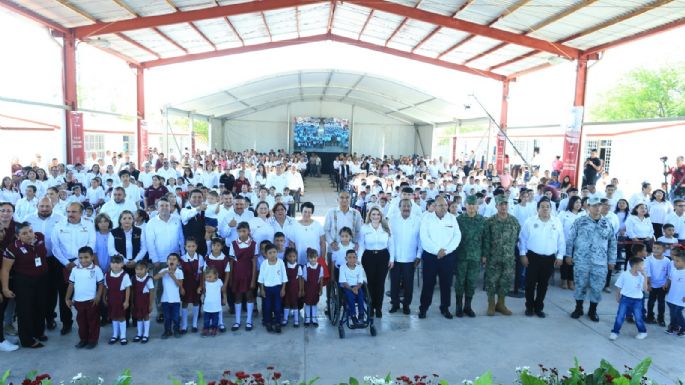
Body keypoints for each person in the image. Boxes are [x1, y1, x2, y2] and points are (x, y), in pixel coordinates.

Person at [566, 196, 617, 322]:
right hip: (581, 260)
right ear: (588, 207)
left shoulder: (607, 223)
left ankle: (593, 311)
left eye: (599, 205)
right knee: (580, 285)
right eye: (594, 205)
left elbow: (613, 243)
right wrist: (568, 255)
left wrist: (612, 260)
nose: (597, 208)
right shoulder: (580, 221)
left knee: (597, 287)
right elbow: (571, 239)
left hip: (600, 262)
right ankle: (578, 308)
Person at [1, 222, 49, 348]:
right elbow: (5, 270)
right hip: (24, 282)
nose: (29, 235)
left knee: (40, 307)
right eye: (24, 233)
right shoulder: (13, 248)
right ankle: (27, 340)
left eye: (30, 231)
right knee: (25, 311)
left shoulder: (40, 238)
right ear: (17, 236)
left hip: (42, 279)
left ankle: (38, 332)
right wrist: (5, 288)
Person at [51, 202, 96, 335]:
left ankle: (88, 322)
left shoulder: (88, 225)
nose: (70, 214)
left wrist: (78, 262)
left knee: (86, 294)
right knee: (65, 294)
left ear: (81, 213)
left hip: (84, 263)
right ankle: (66, 323)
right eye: (68, 211)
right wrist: (66, 262)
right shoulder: (59, 226)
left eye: (74, 212)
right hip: (63, 264)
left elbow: (91, 243)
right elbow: (55, 246)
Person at [519, 198, 565, 318]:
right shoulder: (530, 221)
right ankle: (529, 307)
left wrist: (560, 256)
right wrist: (523, 254)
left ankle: (539, 307)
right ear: (538, 209)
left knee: (543, 285)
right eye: (542, 206)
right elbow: (522, 239)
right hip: (532, 257)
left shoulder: (556, 222)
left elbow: (561, 241)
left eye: (547, 206)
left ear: (551, 208)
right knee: (530, 284)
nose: (545, 209)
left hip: (549, 258)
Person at [418, 196, 461, 319]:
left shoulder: (452, 219)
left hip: (447, 256)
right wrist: (437, 250)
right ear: (435, 206)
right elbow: (424, 238)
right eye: (441, 205)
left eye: (445, 205)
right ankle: (423, 308)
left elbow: (457, 237)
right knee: (428, 283)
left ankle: (445, 308)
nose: (444, 208)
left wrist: (445, 251)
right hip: (430, 256)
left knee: (446, 284)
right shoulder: (426, 218)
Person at [25, 197, 64, 331]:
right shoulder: (28, 219)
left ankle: (50, 317)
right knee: (38, 290)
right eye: (42, 206)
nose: (44, 209)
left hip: (54, 259)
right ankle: (38, 318)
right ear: (37, 206)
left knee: (52, 290)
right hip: (34, 259)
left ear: (52, 206)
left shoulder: (60, 218)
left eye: (47, 206)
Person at [483, 195, 520, 316]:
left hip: (508, 258)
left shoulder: (514, 221)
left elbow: (517, 238)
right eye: (501, 204)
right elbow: (486, 240)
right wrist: (485, 256)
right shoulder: (490, 222)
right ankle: (491, 304)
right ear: (496, 206)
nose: (503, 207)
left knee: (506, 281)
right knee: (491, 281)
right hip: (493, 257)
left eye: (505, 204)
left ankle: (501, 304)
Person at [65, 246, 104, 349]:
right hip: (78, 301)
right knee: (81, 322)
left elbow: (101, 284)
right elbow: (71, 285)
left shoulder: (96, 269)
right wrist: (67, 298)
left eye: (86, 257)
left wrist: (98, 296)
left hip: (92, 301)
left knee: (93, 322)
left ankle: (93, 340)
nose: (83, 260)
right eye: (81, 258)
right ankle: (83, 340)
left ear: (92, 257)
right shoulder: (74, 270)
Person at [454, 195, 486, 318]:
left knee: (471, 282)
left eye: (474, 205)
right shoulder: (459, 220)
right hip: (461, 256)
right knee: (460, 282)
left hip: (475, 257)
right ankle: (458, 306)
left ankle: (468, 306)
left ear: (477, 206)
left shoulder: (482, 220)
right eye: (469, 204)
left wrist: (484, 255)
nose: (471, 207)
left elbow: (485, 239)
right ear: (465, 205)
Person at [358, 206, 393, 318]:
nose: (375, 216)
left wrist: (392, 259)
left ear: (381, 216)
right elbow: (361, 245)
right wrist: (358, 259)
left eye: (378, 214)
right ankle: (371, 307)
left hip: (383, 257)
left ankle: (379, 308)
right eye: (373, 214)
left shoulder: (386, 228)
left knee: (380, 283)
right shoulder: (364, 228)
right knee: (371, 283)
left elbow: (391, 244)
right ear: (369, 215)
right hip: (369, 257)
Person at [388, 199, 422, 315]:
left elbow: (420, 240)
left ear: (411, 207)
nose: (406, 208)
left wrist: (418, 256)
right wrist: (390, 257)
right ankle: (395, 304)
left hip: (410, 258)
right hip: (395, 258)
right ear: (399, 207)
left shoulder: (417, 220)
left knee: (408, 284)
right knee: (394, 283)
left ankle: (406, 305)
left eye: (408, 206)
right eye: (404, 206)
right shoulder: (392, 219)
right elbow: (389, 239)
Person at [609, 256, 648, 340]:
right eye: (642, 265)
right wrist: (617, 296)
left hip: (637, 300)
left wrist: (645, 277)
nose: (643, 267)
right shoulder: (625, 274)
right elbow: (619, 286)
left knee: (638, 317)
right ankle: (614, 332)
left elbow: (645, 289)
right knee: (620, 316)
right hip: (625, 299)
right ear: (635, 266)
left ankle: (643, 332)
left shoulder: (641, 276)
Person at [229, 222, 257, 332]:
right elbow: (231, 262)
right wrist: (231, 278)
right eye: (240, 231)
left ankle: (249, 321)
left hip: (249, 273)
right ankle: (237, 321)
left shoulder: (254, 244)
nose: (242, 233)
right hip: (237, 274)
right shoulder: (234, 244)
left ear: (249, 231)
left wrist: (253, 279)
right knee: (238, 297)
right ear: (237, 232)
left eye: (244, 231)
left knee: (249, 296)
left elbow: (254, 263)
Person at [258, 243, 287, 333]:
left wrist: (283, 289)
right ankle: (268, 322)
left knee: (278, 307)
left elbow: (284, 277)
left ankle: (278, 323)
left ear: (277, 252)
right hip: (267, 289)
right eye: (270, 253)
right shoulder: (264, 264)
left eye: (274, 252)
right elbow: (261, 279)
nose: (272, 254)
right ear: (266, 254)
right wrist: (262, 289)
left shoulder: (281, 262)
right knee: (267, 307)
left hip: (277, 288)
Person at [154, 253, 184, 339]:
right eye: (170, 259)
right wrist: (164, 272)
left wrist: (173, 276)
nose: (172, 260)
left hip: (176, 300)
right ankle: (167, 331)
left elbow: (179, 285)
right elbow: (155, 277)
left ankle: (176, 330)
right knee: (167, 318)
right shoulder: (164, 270)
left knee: (176, 317)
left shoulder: (179, 272)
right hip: (165, 299)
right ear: (167, 262)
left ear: (178, 263)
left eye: (174, 259)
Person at [204, 237, 231, 333]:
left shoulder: (224, 258)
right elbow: (204, 272)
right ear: (211, 247)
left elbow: (227, 272)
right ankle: (211, 324)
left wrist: (225, 285)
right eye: (214, 245)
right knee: (211, 304)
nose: (216, 247)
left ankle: (221, 322)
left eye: (218, 245)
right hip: (210, 285)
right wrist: (204, 287)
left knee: (219, 304)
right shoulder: (207, 258)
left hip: (219, 284)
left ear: (222, 247)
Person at [103, 255, 131, 346]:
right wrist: (104, 297)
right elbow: (106, 287)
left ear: (122, 264)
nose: (115, 265)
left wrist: (126, 301)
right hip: (111, 299)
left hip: (121, 299)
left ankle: (123, 336)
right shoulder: (107, 275)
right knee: (113, 316)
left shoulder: (125, 275)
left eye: (118, 263)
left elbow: (127, 288)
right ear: (110, 264)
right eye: (113, 263)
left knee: (121, 317)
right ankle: (115, 335)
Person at [179, 237, 204, 334]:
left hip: (195, 284)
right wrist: (181, 287)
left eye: (193, 246)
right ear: (185, 247)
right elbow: (180, 275)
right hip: (186, 284)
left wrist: (200, 286)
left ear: (196, 247)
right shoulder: (182, 259)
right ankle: (184, 325)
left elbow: (201, 273)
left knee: (196, 302)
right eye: (189, 246)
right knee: (185, 303)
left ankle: (194, 324)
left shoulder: (200, 258)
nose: (191, 248)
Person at [558, 196, 582, 290]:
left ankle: (571, 281)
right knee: (565, 262)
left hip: (578, 243)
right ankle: (564, 280)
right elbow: (559, 228)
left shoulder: (583, 215)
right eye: (576, 202)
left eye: (580, 202)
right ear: (571, 203)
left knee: (573, 262)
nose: (578, 204)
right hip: (565, 241)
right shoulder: (564, 214)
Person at [339, 249, 367, 325]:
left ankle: (361, 314)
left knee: (361, 296)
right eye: (350, 257)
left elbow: (361, 281)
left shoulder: (359, 268)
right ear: (346, 258)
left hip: (357, 286)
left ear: (356, 258)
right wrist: (352, 289)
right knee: (350, 297)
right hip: (347, 287)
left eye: (354, 257)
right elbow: (343, 282)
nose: (352, 259)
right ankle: (353, 315)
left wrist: (356, 288)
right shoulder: (342, 267)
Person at [645, 242, 669, 326]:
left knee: (661, 302)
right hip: (652, 285)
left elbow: (668, 274)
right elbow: (647, 273)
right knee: (651, 301)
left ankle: (661, 319)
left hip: (662, 285)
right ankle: (650, 316)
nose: (655, 250)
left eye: (658, 248)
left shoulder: (667, 260)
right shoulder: (648, 259)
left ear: (664, 250)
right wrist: (649, 284)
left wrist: (666, 283)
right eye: (654, 248)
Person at [181, 190, 209, 257]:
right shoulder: (184, 210)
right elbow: (187, 215)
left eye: (199, 197)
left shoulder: (206, 211)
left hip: (203, 247)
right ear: (189, 199)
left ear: (203, 199)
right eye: (194, 197)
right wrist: (198, 208)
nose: (197, 199)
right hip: (190, 249)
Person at [131, 261, 154, 344]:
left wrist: (150, 304)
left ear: (146, 270)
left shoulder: (148, 279)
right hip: (137, 300)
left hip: (145, 300)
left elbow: (151, 292)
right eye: (137, 269)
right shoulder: (133, 278)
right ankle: (139, 333)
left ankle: (146, 334)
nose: (138, 271)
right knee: (139, 316)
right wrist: (132, 302)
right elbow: (132, 291)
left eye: (141, 269)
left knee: (146, 316)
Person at [665, 250, 685, 336]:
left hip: (681, 298)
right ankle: (674, 326)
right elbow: (670, 279)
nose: (674, 263)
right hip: (672, 296)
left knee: (677, 312)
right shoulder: (673, 270)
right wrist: (666, 284)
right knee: (672, 313)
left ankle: (683, 328)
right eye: (674, 260)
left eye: (677, 261)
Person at [282, 247, 303, 327]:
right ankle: (285, 318)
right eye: (290, 256)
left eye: (294, 256)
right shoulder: (284, 266)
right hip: (287, 288)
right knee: (286, 303)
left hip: (295, 288)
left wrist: (301, 290)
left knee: (295, 304)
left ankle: (296, 320)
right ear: (286, 257)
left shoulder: (298, 267)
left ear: (296, 257)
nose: (292, 258)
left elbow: (301, 279)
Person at [201, 267, 224, 337]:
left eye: (210, 277)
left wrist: (224, 298)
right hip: (207, 305)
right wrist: (202, 296)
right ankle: (206, 328)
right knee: (206, 319)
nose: (208, 278)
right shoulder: (206, 283)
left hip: (216, 305)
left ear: (216, 275)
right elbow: (204, 292)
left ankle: (214, 328)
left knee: (215, 319)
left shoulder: (219, 281)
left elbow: (223, 291)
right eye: (206, 277)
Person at [302, 248, 323, 327]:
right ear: (308, 258)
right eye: (311, 258)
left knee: (314, 303)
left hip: (315, 288)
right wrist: (303, 289)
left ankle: (314, 318)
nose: (313, 259)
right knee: (307, 303)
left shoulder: (320, 267)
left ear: (317, 257)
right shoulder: (305, 267)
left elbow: (321, 279)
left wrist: (320, 289)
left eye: (314, 257)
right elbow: (304, 279)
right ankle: (307, 318)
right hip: (307, 288)